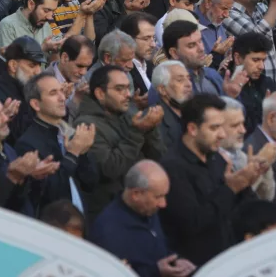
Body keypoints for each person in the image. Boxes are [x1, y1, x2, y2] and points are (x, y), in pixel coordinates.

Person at [159, 94, 270, 266]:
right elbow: (192, 224)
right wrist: (231, 188)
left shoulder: (217, 159)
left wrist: (247, 181)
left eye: (222, 127)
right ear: (193, 129)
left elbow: (240, 209)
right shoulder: (172, 168)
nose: (222, 134)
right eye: (214, 128)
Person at [75, 64, 165, 219]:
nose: (128, 94)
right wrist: (137, 132)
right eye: (119, 89)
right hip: (112, 212)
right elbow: (110, 169)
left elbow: (159, 156)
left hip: (143, 206)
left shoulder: (129, 111)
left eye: (128, 88)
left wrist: (150, 129)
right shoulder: (86, 125)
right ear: (100, 93)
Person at [90, 160, 197, 277]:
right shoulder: (108, 232)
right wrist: (155, 271)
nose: (163, 204)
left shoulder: (147, 210)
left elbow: (158, 247)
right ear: (136, 194)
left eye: (164, 195)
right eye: (158, 197)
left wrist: (175, 261)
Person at [15, 71, 98, 219]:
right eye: (53, 93)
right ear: (35, 104)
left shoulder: (69, 132)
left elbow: (90, 182)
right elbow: (54, 193)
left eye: (61, 91)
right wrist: (72, 154)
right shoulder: (28, 143)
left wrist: (83, 152)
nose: (62, 98)